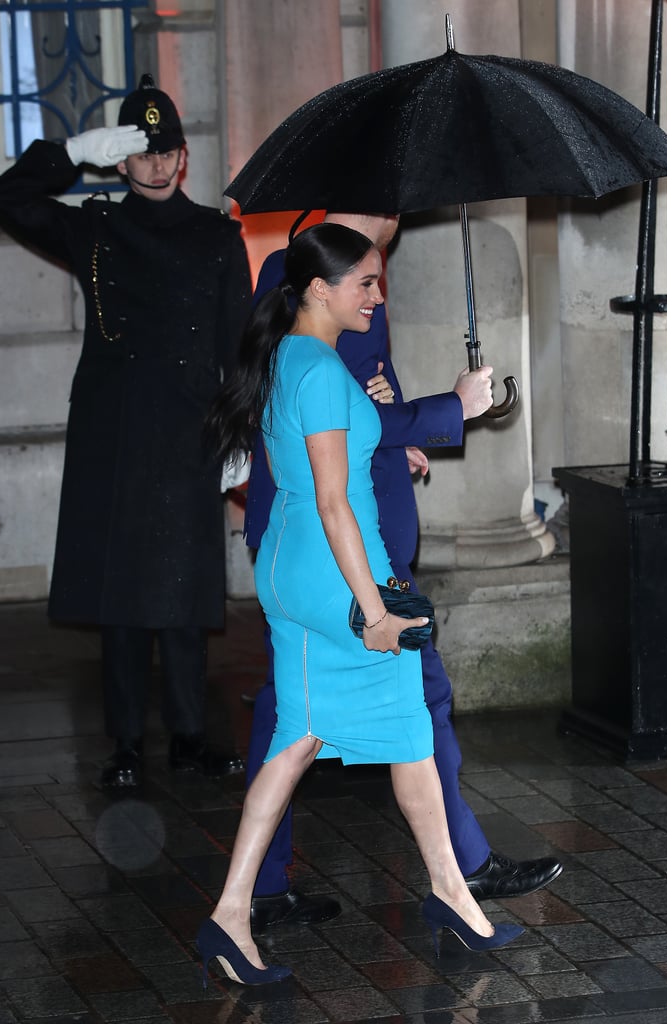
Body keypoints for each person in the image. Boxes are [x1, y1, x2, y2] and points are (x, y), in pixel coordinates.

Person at [198, 222, 524, 985]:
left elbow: (314, 469)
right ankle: (448, 893)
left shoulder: (288, 355)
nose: (377, 295)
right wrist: (374, 607)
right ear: (319, 287)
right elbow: (337, 503)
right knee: (394, 723)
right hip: (339, 572)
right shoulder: (316, 369)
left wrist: (376, 415)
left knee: (305, 735)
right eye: (364, 283)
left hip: (289, 564)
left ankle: (233, 913)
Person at [0, 75, 252, 791]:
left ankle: (191, 736)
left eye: (167, 150)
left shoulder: (219, 237)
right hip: (117, 436)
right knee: (123, 598)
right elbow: (6, 200)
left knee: (188, 596)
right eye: (140, 152)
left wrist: (241, 431)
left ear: (185, 156)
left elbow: (237, 341)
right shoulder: (97, 229)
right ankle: (128, 743)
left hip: (191, 430)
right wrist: (69, 152)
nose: (157, 165)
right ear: (119, 161)